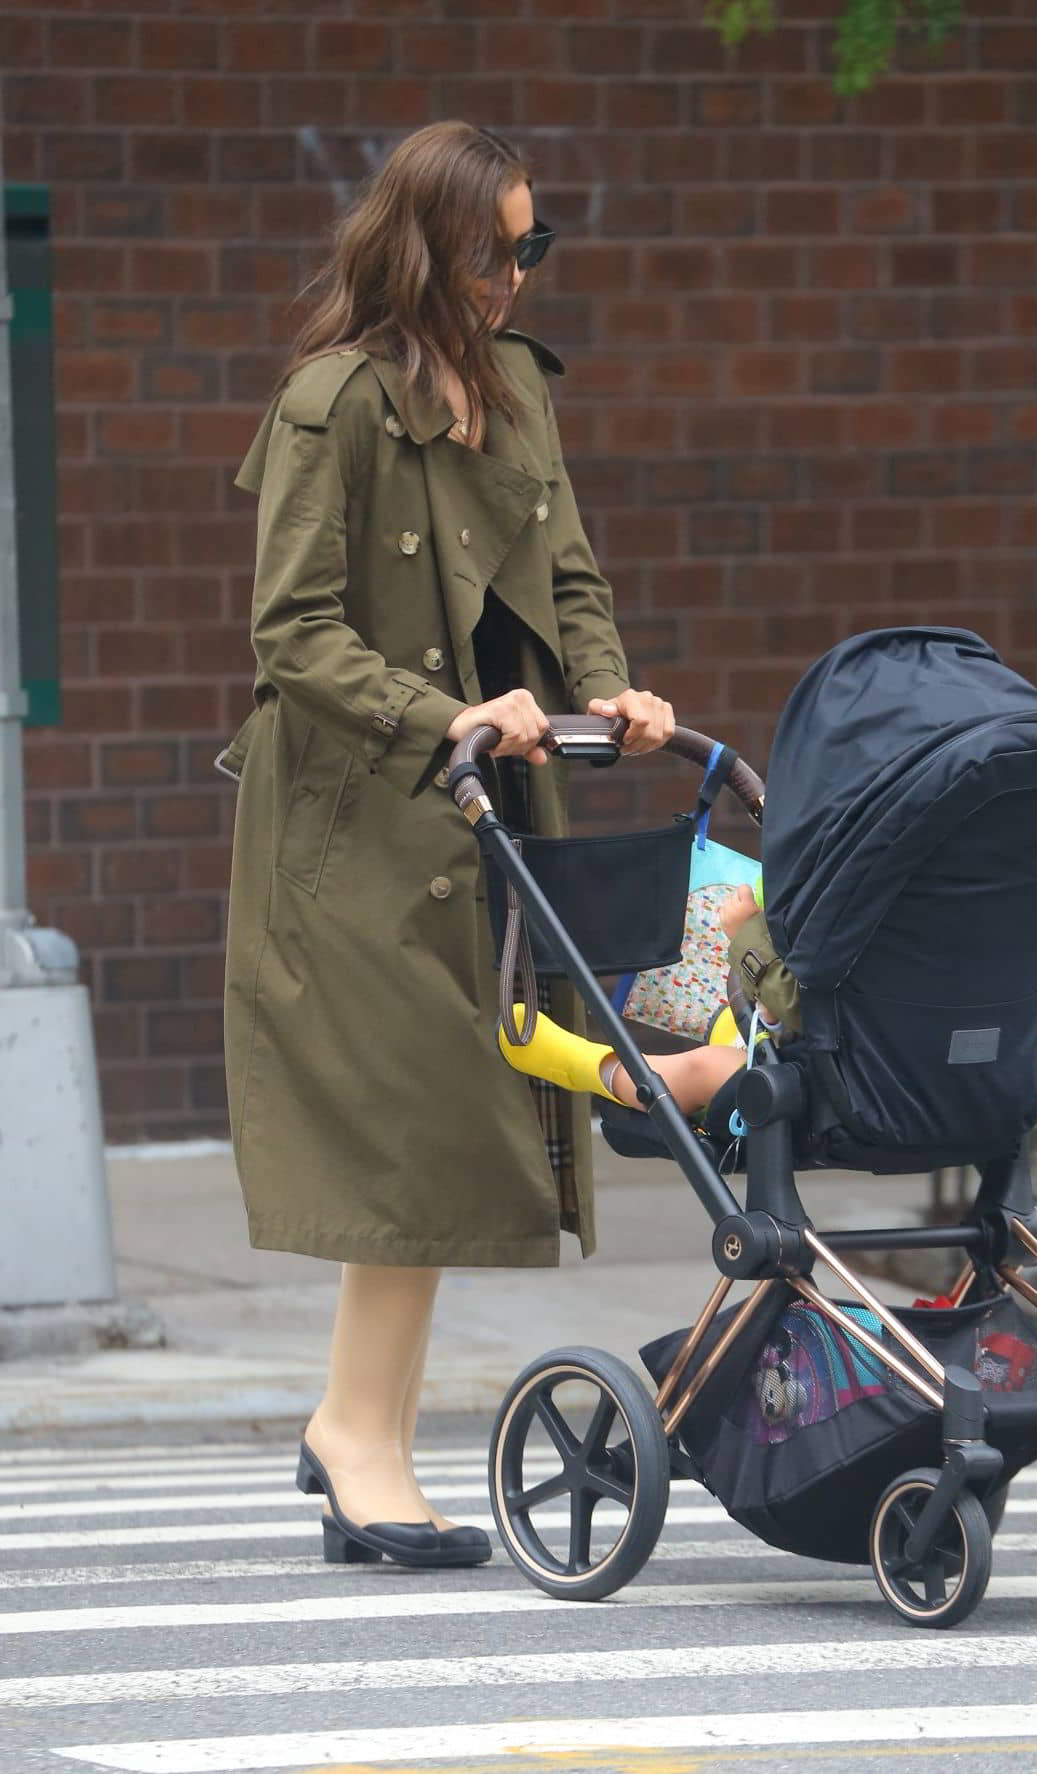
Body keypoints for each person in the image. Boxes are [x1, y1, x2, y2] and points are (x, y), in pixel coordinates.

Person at [219, 121, 674, 1570]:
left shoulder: (520, 397)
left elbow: (573, 572)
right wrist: (449, 712)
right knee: (418, 1115)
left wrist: (612, 688)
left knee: (454, 1109)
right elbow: (291, 633)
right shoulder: (331, 401)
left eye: (535, 248)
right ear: (429, 248)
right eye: (499, 251)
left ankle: (356, 1426)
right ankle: (361, 1441)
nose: (519, 278)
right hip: (351, 819)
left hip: (486, 805)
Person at [499, 882, 800, 1120]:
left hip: (830, 1080)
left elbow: (801, 1006)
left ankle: (589, 1067)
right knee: (746, 1019)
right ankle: (748, 1033)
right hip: (818, 1045)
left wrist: (747, 934)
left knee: (705, 1068)